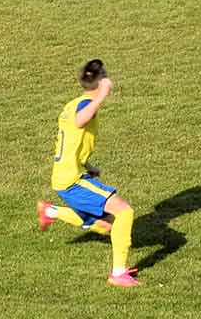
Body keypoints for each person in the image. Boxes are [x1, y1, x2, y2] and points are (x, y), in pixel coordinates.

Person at [37, 59, 141, 288]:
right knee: (124, 212)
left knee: (106, 223)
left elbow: (72, 139)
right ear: (101, 81)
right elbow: (80, 122)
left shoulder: (73, 103)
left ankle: (49, 211)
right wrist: (102, 94)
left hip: (65, 175)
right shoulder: (86, 107)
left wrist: (87, 164)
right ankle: (118, 274)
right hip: (72, 180)